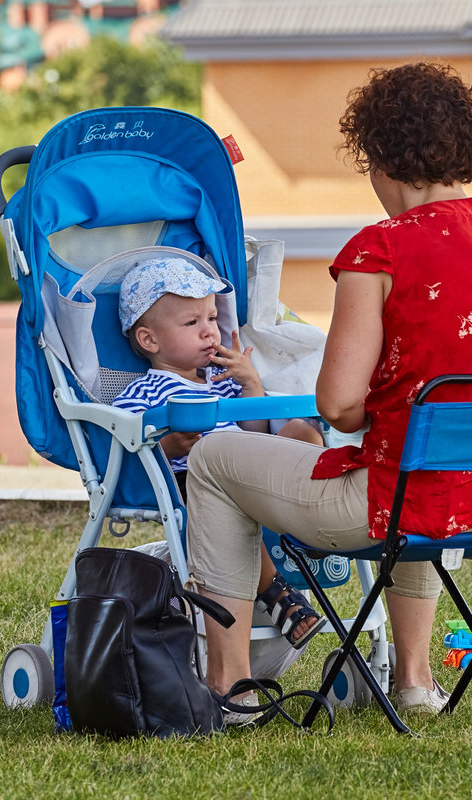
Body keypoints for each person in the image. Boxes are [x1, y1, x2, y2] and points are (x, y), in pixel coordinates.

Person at [184, 61, 472, 718]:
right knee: (421, 467)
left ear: (377, 157)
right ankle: (412, 680)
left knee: (212, 461)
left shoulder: (378, 252)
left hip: (401, 506)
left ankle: (230, 688)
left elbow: (338, 406)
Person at [112, 253, 327, 655]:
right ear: (149, 340)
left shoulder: (221, 381)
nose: (210, 331)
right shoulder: (144, 393)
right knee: (230, 504)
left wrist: (251, 387)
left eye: (212, 318)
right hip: (194, 484)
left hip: (252, 471)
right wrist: (164, 446)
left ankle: (315, 517)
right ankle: (278, 596)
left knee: (301, 429)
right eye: (192, 323)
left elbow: (256, 433)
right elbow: (125, 447)